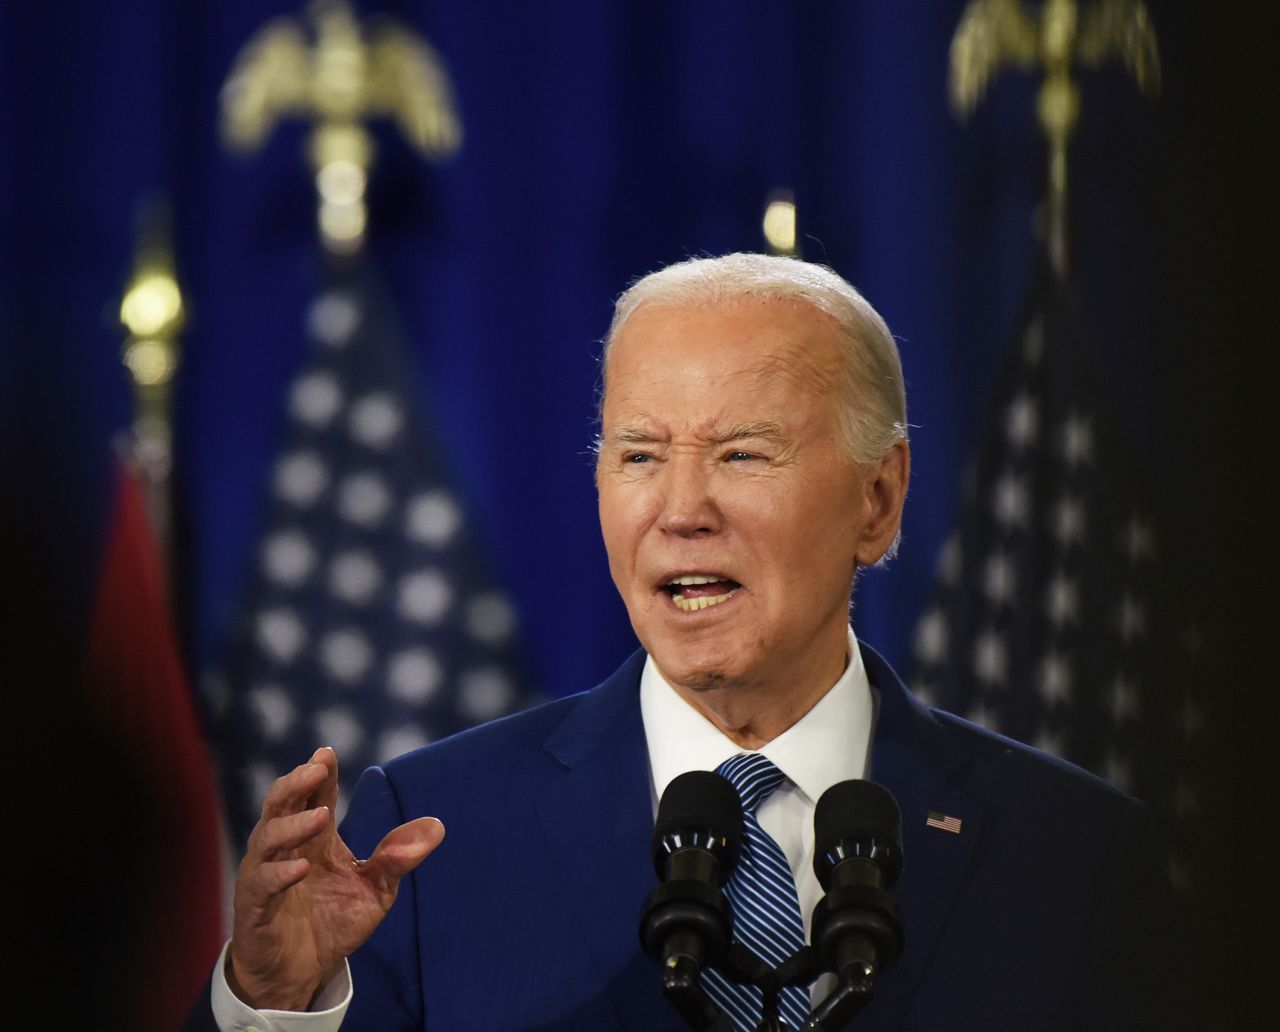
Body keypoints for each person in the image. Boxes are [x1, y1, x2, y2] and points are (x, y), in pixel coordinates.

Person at [190, 253, 1168, 1031]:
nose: (680, 510)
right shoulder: (433, 834)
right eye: (639, 455)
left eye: (742, 453)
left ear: (877, 498)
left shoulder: (1069, 852)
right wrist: (273, 1008)